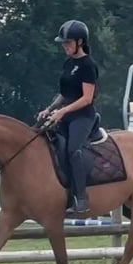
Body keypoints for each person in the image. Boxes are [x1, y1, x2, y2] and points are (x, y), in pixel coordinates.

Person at [38, 19, 99, 215]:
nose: (64, 46)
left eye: (68, 42)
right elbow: (64, 94)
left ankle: (81, 198)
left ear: (80, 42)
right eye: (63, 43)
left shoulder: (88, 65)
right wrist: (49, 109)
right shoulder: (68, 63)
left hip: (82, 116)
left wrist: (63, 111)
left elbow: (87, 98)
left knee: (73, 150)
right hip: (64, 115)